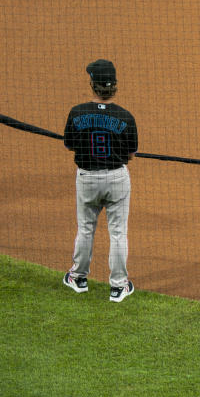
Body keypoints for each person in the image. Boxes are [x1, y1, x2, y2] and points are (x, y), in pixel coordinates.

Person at [62, 59, 138, 302]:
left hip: (87, 178)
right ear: (114, 87)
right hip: (117, 177)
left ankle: (79, 278)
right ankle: (118, 286)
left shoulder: (77, 113)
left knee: (85, 229)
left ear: (92, 85)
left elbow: (70, 145)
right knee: (118, 233)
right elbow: (131, 154)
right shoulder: (125, 117)